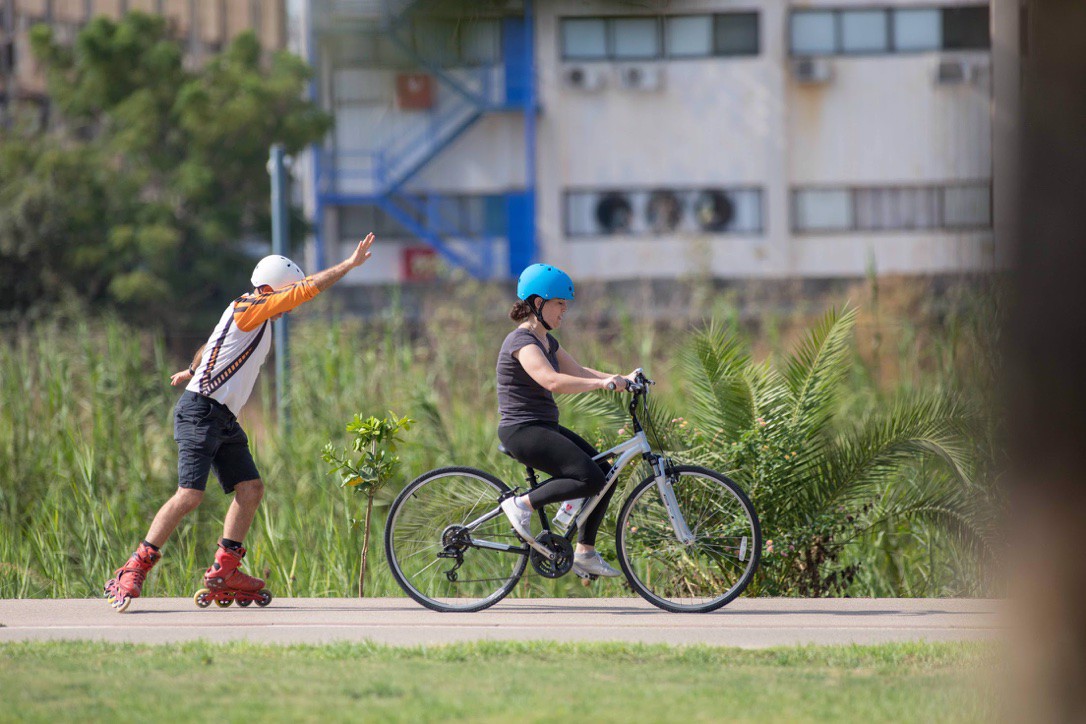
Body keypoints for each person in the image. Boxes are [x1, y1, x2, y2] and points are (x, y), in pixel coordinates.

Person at [104, 234, 376, 611]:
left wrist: (192, 368)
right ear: (274, 289)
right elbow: (306, 291)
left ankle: (225, 570)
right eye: (285, 297)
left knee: (250, 489)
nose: (288, 308)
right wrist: (347, 266)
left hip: (222, 417)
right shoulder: (254, 306)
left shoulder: (247, 313)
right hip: (200, 411)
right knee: (189, 496)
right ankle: (133, 567)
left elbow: (212, 344)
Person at [496, 263, 634, 578]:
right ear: (538, 303)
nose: (564, 311)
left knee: (605, 472)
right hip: (522, 431)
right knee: (589, 478)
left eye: (565, 305)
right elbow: (553, 381)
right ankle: (521, 505)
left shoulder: (547, 341)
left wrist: (621, 378)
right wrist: (603, 385)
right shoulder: (522, 343)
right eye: (559, 303)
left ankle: (585, 552)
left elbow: (579, 372)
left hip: (543, 427)